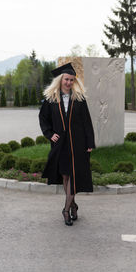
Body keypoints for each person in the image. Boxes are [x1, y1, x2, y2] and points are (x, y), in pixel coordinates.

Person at [39, 62, 95, 226]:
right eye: (66, 79)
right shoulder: (51, 99)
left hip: (78, 143)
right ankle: (73, 204)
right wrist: (50, 134)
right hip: (60, 144)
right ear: (60, 80)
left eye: (71, 80)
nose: (69, 82)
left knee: (73, 174)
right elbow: (43, 119)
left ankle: (65, 209)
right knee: (65, 175)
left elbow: (87, 122)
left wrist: (90, 142)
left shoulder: (79, 99)